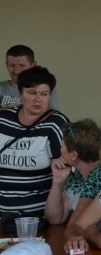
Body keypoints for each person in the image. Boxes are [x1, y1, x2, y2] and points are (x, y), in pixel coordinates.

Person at [0, 66, 68, 215]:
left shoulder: (56, 123)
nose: (38, 99)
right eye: (32, 93)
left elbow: (64, 170)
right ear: (20, 94)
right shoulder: (3, 120)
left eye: (44, 94)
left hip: (38, 216)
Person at [44, 119, 101, 225]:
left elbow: (74, 227)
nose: (60, 150)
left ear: (73, 155)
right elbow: (54, 219)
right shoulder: (78, 175)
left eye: (62, 146)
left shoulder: (100, 175)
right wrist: (58, 182)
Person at [1, 45, 59, 109]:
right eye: (12, 65)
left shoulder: (45, 90)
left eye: (22, 65)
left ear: (33, 65)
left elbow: (52, 116)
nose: (17, 70)